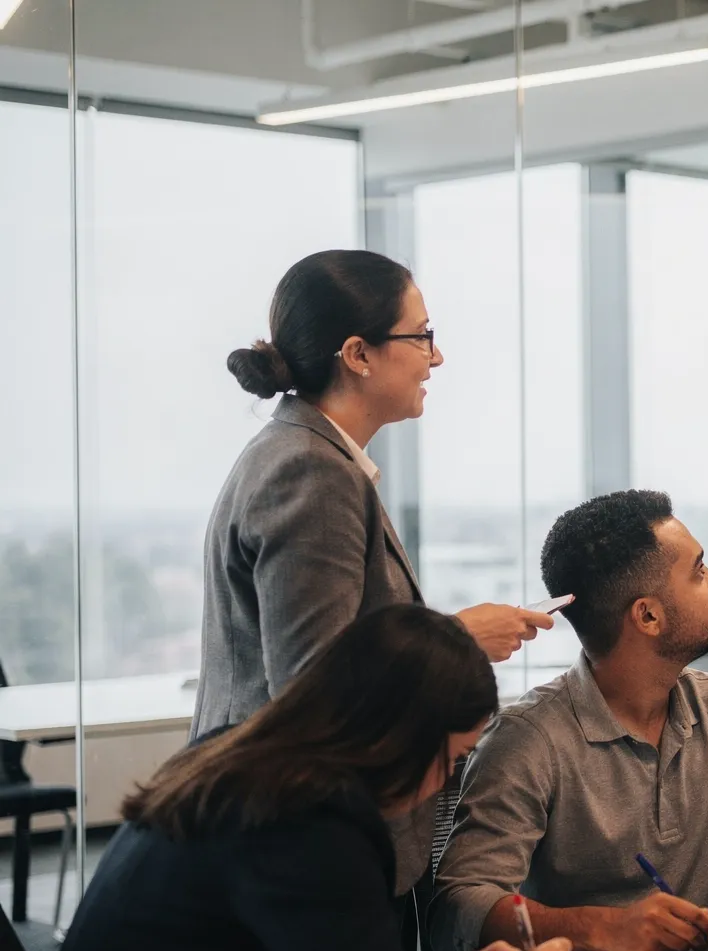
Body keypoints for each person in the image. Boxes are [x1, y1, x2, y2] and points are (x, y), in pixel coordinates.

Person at [48, 605, 576, 951]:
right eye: (453, 758)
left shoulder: (240, 762)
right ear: (405, 738)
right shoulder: (307, 822)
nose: (443, 785)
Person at [197, 249, 555, 897]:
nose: (436, 358)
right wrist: (456, 640)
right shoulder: (310, 469)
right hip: (294, 840)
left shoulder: (312, 456)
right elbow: (313, 683)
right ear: (358, 355)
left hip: (288, 830)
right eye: (422, 337)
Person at [430, 491, 708, 951]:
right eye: (699, 571)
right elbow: (458, 908)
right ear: (648, 615)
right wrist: (600, 927)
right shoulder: (527, 738)